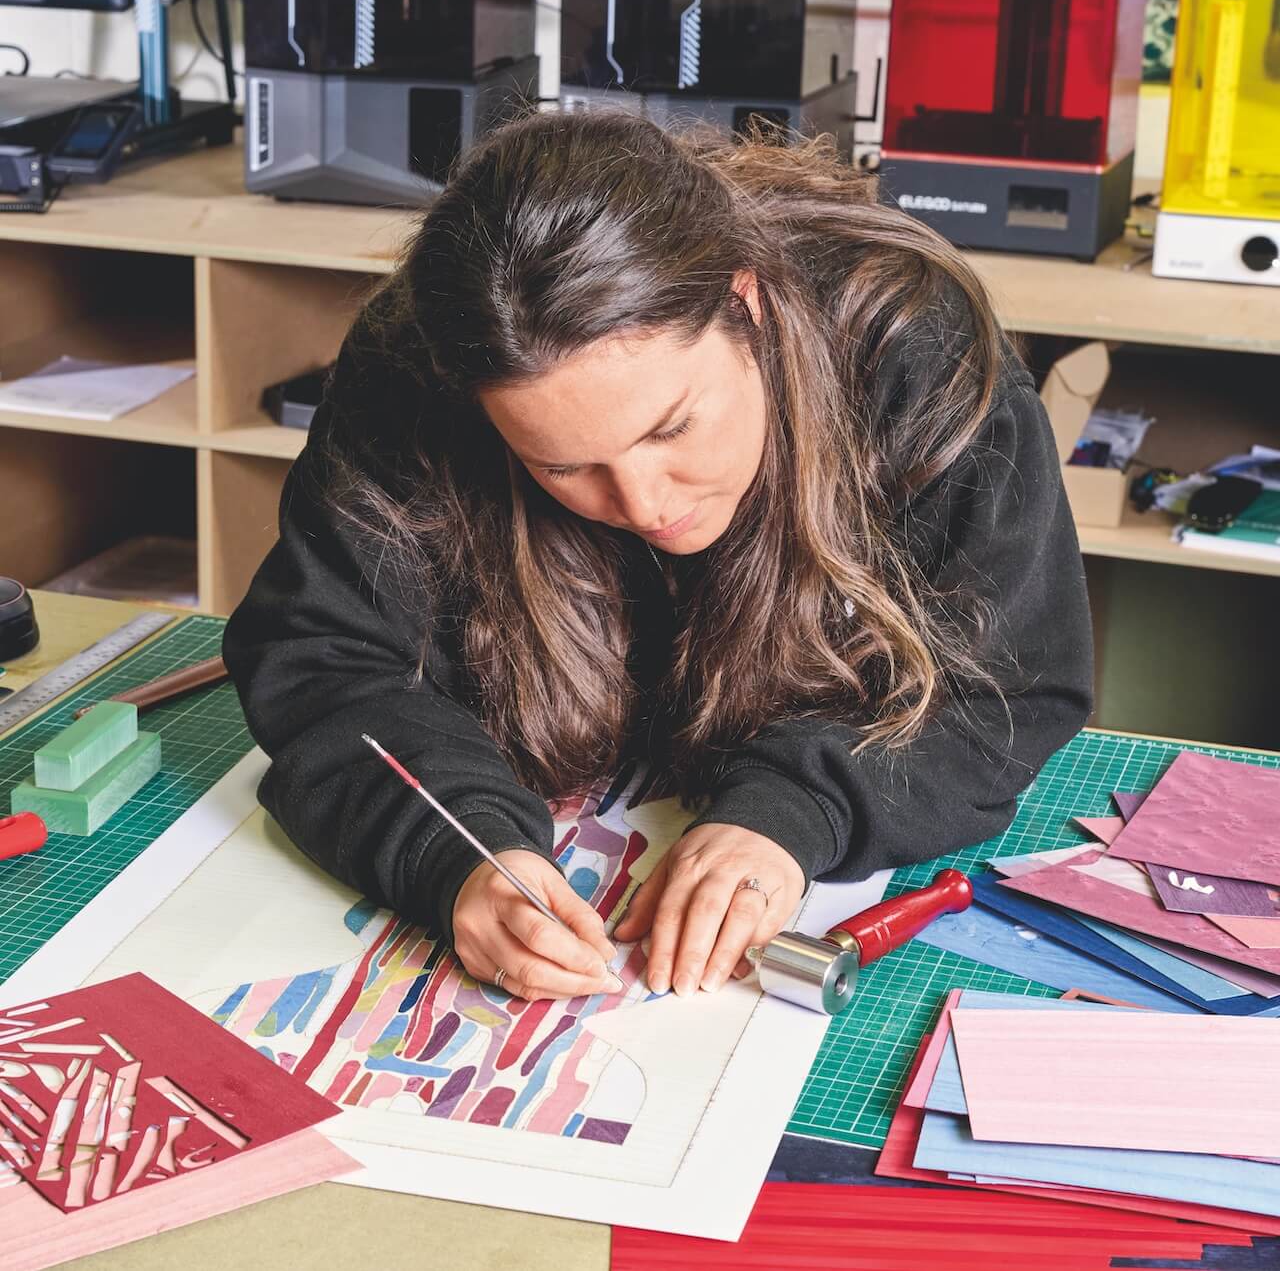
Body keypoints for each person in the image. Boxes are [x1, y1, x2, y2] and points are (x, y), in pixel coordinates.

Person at [223, 110, 1092, 1005]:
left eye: (671, 426)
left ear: (745, 304)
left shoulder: (908, 342)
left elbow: (1009, 687)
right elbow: (325, 661)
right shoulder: (415, 370)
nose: (644, 504)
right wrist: (455, 851)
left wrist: (796, 815)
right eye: (561, 466)